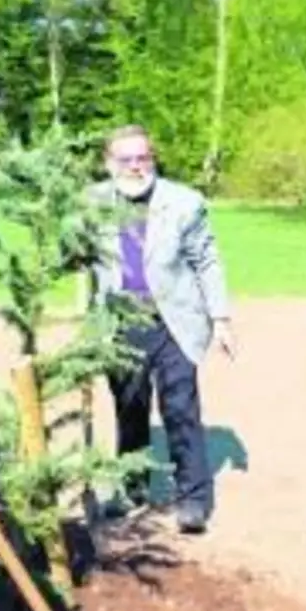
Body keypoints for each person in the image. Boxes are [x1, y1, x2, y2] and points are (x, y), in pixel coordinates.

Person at [83, 125, 237, 534]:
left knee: (181, 410)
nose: (136, 167)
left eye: (143, 158)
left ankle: (194, 500)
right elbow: (75, 256)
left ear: (152, 159)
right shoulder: (91, 203)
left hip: (174, 321)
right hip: (120, 322)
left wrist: (220, 319)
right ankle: (132, 489)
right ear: (108, 164)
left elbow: (207, 261)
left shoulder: (184, 203)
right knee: (129, 408)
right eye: (126, 160)